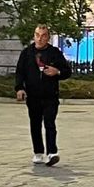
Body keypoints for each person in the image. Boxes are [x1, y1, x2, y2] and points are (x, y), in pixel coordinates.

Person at [15, 24, 73, 165]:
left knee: (49, 123)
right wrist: (19, 88)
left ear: (48, 37)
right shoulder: (27, 53)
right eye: (37, 35)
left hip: (50, 95)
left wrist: (57, 72)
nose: (40, 39)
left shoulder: (55, 53)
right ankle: (38, 152)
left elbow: (67, 71)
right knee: (35, 124)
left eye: (43, 36)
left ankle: (52, 152)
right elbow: (20, 72)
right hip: (33, 95)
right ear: (34, 36)